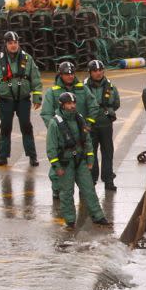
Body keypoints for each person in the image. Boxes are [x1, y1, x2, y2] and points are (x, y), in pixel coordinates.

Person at [46, 92, 109, 229]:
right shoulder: (54, 123)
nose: (72, 106)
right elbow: (51, 148)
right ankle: (69, 220)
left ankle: (98, 216)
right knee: (67, 192)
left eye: (74, 103)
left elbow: (87, 140)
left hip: (80, 161)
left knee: (89, 189)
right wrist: (57, 167)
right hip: (65, 163)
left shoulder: (79, 118)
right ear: (62, 105)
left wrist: (90, 158)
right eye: (69, 103)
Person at [41, 61, 100, 199]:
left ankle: (83, 189)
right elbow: (46, 114)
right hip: (63, 137)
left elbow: (93, 106)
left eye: (72, 73)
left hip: (80, 134)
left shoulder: (83, 89)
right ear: (60, 75)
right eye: (67, 74)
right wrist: (55, 130)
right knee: (59, 162)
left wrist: (88, 125)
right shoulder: (52, 92)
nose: (70, 76)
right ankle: (57, 189)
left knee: (83, 163)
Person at [0, 31, 42, 167]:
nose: (13, 45)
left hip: (23, 99)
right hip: (6, 100)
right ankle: (3, 157)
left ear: (18, 43)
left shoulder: (27, 59)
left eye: (15, 42)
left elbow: (35, 78)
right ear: (5, 44)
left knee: (26, 126)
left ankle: (32, 156)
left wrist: (37, 97)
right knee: (5, 127)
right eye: (10, 43)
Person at [84, 60, 120, 191]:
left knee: (107, 151)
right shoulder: (83, 87)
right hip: (90, 124)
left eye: (100, 70)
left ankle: (108, 179)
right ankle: (91, 180)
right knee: (90, 152)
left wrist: (107, 112)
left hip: (105, 123)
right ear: (90, 73)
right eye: (95, 71)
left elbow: (116, 103)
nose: (98, 73)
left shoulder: (110, 86)